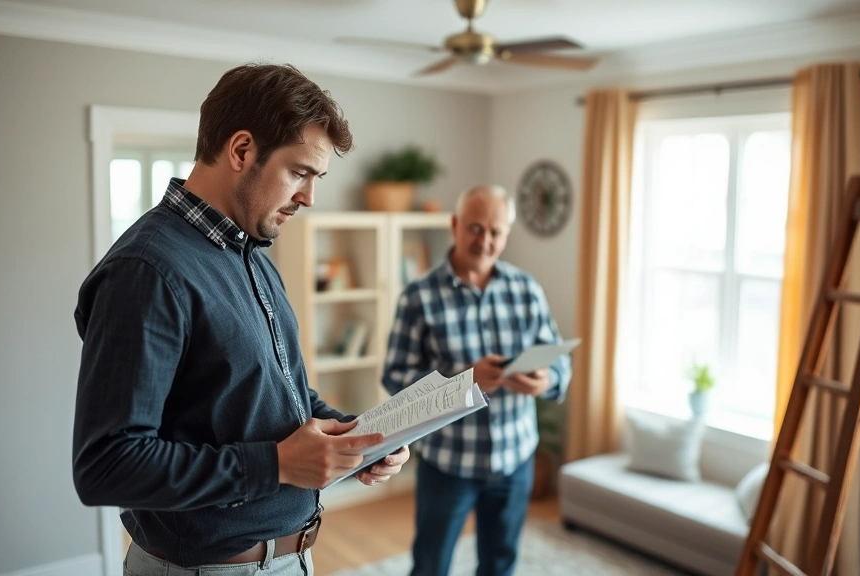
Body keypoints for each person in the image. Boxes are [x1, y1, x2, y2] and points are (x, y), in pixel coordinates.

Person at [72, 63, 409, 576]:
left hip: (291, 559)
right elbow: (107, 465)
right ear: (241, 150)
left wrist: (355, 437)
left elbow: (274, 391)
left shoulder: (249, 251)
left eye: (316, 178)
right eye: (299, 172)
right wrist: (276, 464)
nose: (309, 198)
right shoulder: (146, 272)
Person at [382, 185, 573, 576]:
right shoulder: (418, 298)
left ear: (506, 235)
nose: (484, 241)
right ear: (454, 226)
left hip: (515, 458)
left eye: (495, 231)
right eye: (474, 228)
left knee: (500, 565)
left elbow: (560, 366)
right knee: (431, 565)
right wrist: (463, 381)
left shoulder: (527, 291)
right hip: (448, 463)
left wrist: (544, 381)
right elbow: (395, 379)